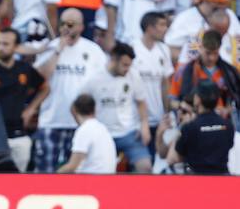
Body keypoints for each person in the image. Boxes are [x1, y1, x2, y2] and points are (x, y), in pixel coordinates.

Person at [33, 8, 108, 172]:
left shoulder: (93, 51)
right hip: (51, 119)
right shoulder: (50, 48)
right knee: (45, 170)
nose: (67, 27)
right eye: (63, 23)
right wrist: (58, 49)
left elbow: (103, 83)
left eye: (72, 24)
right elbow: (40, 77)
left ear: (81, 27)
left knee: (74, 172)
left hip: (79, 122)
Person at [0, 29, 47, 172]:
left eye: (6, 44)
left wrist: (31, 109)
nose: (1, 48)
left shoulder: (25, 70)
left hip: (19, 133)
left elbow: (44, 88)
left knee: (19, 176)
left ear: (16, 47)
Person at [81, 42, 152, 173]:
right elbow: (80, 105)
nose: (127, 69)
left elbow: (141, 102)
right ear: (113, 59)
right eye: (125, 65)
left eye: (129, 65)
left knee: (145, 167)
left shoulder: (133, 76)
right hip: (102, 134)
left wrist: (144, 125)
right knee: (101, 171)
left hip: (129, 133)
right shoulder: (94, 79)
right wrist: (88, 128)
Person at [130, 11, 174, 159]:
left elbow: (165, 84)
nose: (165, 28)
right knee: (140, 164)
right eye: (161, 25)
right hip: (135, 120)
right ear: (149, 28)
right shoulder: (132, 48)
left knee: (157, 161)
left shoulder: (164, 49)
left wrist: (167, 111)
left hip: (158, 117)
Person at [170, 81, 234, 174]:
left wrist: (180, 129)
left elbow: (174, 158)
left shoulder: (190, 127)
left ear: (197, 99)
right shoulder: (228, 125)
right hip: (222, 179)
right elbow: (229, 145)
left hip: (197, 180)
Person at [56, 94, 117, 174]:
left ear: (74, 110)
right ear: (94, 110)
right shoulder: (102, 128)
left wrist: (54, 175)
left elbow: (72, 166)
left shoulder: (84, 130)